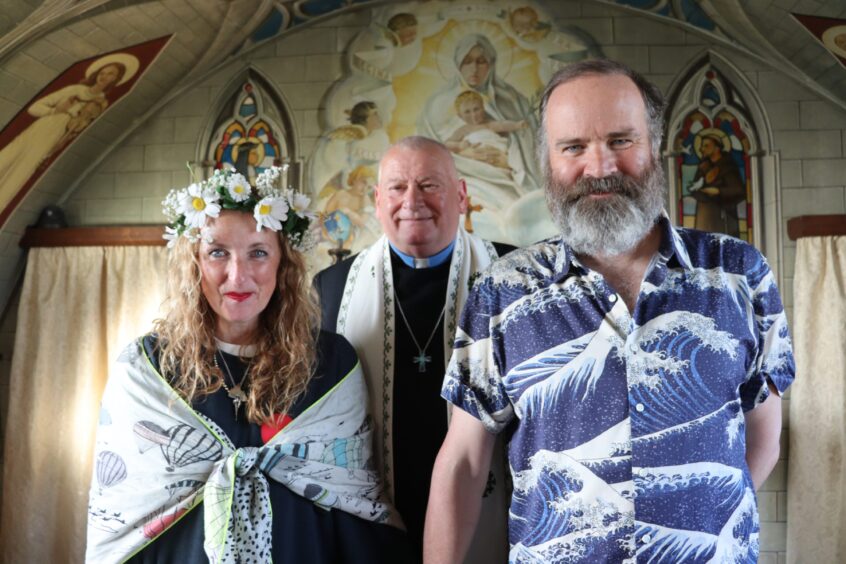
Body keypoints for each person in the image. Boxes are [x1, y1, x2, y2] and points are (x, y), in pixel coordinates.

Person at [425, 59, 795, 563]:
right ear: (549, 163)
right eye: (573, 146)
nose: (599, 167)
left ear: (655, 147)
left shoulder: (741, 273)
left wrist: (701, 531)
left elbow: (762, 439)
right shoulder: (503, 291)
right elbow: (465, 464)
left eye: (621, 140)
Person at [86, 167, 411, 563]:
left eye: (258, 253)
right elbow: (128, 512)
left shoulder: (330, 364)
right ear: (194, 262)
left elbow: (352, 500)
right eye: (217, 252)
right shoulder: (149, 367)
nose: (237, 275)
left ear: (283, 264)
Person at [314, 136, 512, 561]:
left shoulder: (515, 275)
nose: (412, 200)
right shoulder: (331, 288)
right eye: (397, 187)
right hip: (372, 512)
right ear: (377, 199)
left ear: (461, 195)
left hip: (490, 503)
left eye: (429, 185)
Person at [0, 54, 138, 214]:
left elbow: (80, 128)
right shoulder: (75, 90)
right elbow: (34, 108)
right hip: (42, 127)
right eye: (103, 72)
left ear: (116, 79)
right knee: (7, 156)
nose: (104, 76)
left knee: (22, 171)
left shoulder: (101, 102)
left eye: (110, 74)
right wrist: (56, 110)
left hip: (55, 137)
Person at [418, 34, 541, 209]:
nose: (474, 69)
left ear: (491, 64)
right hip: (461, 176)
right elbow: (427, 151)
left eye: (481, 61)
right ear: (458, 64)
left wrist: (509, 159)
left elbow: (530, 140)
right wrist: (465, 156)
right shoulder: (437, 105)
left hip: (506, 172)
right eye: (467, 61)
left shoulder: (512, 99)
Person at [445, 90, 527, 170]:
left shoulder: (488, 125)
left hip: (496, 151)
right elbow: (447, 144)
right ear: (460, 116)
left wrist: (517, 125)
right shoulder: (463, 130)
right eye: (467, 112)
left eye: (476, 109)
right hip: (477, 155)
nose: (473, 115)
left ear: (483, 108)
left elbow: (503, 125)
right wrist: (459, 146)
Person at [688, 128, 746, 236]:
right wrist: (702, 192)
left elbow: (739, 190)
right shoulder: (703, 166)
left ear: (717, 148)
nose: (701, 149)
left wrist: (718, 191)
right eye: (701, 146)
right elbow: (694, 190)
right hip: (704, 215)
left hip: (724, 216)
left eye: (706, 145)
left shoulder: (728, 166)